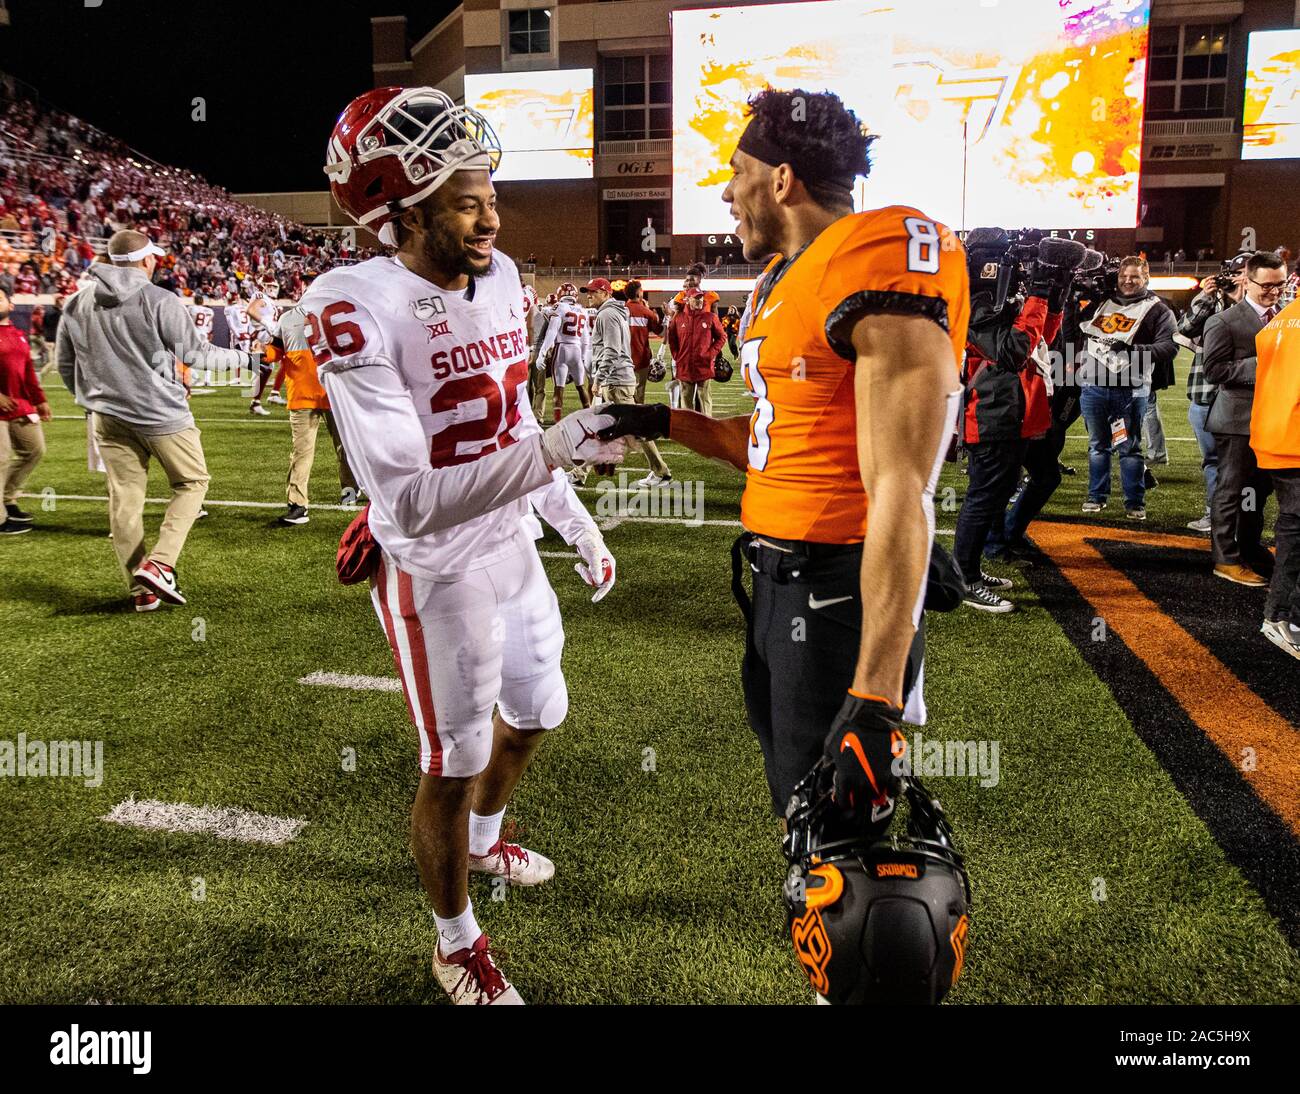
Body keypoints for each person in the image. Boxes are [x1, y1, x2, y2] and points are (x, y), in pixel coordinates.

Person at [598, 86, 968, 875]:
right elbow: (771, 449)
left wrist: (876, 695)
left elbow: (903, 483)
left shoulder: (872, 257)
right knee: (799, 815)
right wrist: (660, 421)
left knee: (846, 850)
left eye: (736, 173)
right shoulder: (781, 281)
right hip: (778, 582)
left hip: (836, 591)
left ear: (781, 179)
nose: (726, 193)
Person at [315, 85, 626, 1006]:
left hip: (512, 542)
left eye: (491, 194)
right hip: (434, 565)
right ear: (403, 215)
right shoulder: (352, 302)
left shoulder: (497, 279)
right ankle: (454, 944)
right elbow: (407, 502)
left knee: (539, 710)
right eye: (465, 200)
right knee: (451, 761)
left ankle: (488, 846)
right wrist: (552, 455)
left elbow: (516, 419)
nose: (492, 216)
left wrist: (573, 518)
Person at [55, 231, 259, 610]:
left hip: (107, 417)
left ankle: (141, 590)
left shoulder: (76, 303)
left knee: (124, 502)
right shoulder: (159, 299)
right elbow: (197, 356)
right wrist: (246, 359)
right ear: (147, 260)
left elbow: (66, 365)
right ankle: (161, 563)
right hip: (161, 414)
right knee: (193, 482)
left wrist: (92, 399)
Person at [954, 229, 1078, 612]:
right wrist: (1040, 292)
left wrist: (1054, 298)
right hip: (992, 415)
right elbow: (1013, 352)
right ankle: (965, 577)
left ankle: (973, 566)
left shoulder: (999, 302)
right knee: (983, 498)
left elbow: (1042, 341)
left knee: (998, 492)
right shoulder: (975, 303)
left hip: (1016, 413)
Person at [1203, 251, 1288, 585]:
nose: (1274, 292)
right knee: (1230, 489)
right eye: (1266, 286)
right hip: (1236, 421)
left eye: (1279, 285)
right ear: (1248, 281)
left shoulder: (1284, 317)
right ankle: (1224, 558)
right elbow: (1214, 370)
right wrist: (1263, 360)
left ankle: (1250, 547)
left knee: (1259, 490)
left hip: (1272, 420)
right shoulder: (1224, 320)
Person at [1075, 256, 1177, 520]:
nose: (1128, 281)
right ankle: (1096, 497)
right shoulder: (1101, 302)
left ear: (1146, 278)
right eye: (1123, 276)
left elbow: (1170, 346)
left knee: (1129, 447)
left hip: (1130, 389)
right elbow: (1072, 329)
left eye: (1135, 276)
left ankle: (1135, 502)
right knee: (1098, 446)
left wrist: (1134, 350)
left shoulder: (1158, 309)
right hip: (1094, 385)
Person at [268, 293, 360, 526]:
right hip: (304, 395)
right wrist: (262, 351)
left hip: (332, 393)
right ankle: (298, 505)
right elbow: (275, 352)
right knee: (302, 451)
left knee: (345, 447)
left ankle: (349, 491)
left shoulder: (330, 315)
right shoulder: (290, 319)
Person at [1178, 255, 1247, 532]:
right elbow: (1185, 329)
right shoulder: (1212, 302)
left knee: (1244, 465)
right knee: (1211, 461)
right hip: (1204, 393)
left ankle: (1244, 519)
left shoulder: (1260, 308)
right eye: (1233, 272)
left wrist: (1241, 300)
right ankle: (1214, 513)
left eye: (1242, 273)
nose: (1236, 278)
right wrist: (1206, 299)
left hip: (1241, 397)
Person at [1251, 292, 1300, 658]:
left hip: (1275, 435)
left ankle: (1283, 615)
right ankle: (1283, 617)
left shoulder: (1283, 317)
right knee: (1294, 534)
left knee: (1292, 529)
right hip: (1294, 439)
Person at [0, 289, 49, 535]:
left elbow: (29, 371)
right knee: (0, 458)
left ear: (10, 304)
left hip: (20, 405)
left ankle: (7, 499)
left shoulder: (19, 335)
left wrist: (40, 401)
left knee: (34, 450)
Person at [615, 279, 672, 487]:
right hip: (640, 362)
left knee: (626, 408)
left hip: (620, 363)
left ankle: (634, 434)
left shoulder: (619, 310)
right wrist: (665, 317)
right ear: (639, 294)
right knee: (636, 401)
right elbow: (662, 333)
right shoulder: (647, 313)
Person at [667, 288, 725, 416]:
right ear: (688, 299)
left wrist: (711, 354)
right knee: (686, 402)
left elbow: (722, 337)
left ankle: (707, 429)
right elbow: (672, 338)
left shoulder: (710, 317)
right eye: (696, 298)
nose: (699, 300)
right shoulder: (679, 318)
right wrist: (677, 355)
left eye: (701, 297)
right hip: (685, 365)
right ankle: (689, 431)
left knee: (705, 401)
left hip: (703, 365)